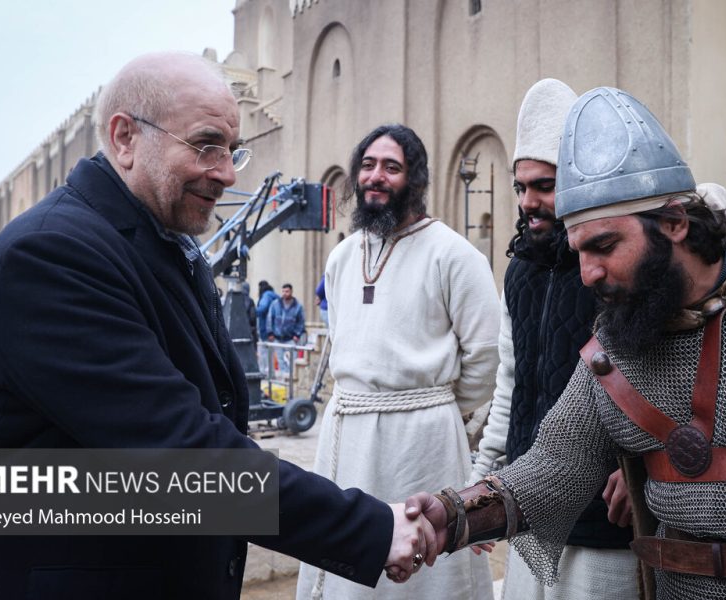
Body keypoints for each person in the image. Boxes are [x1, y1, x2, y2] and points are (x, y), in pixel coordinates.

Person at [0, 52, 437, 600]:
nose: (227, 173)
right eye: (206, 145)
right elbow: (177, 449)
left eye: (232, 151)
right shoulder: (52, 253)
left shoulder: (158, 239)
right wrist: (373, 529)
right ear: (125, 138)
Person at [409, 87, 726, 599]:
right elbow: (554, 468)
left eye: (604, 246)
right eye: (579, 251)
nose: (587, 274)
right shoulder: (618, 343)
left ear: (675, 222)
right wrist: (452, 516)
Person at [296, 124, 500, 600]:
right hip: (347, 437)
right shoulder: (342, 257)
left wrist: (436, 409)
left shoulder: (455, 255)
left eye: (392, 167)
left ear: (415, 178)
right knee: (347, 563)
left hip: (422, 443)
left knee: (424, 574)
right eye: (368, 165)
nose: (376, 176)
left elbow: (486, 355)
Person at [469, 79, 637, 599]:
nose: (529, 202)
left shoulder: (619, 265)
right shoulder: (520, 272)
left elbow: (666, 372)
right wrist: (483, 480)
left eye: (543, 185)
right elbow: (510, 383)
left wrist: (644, 469)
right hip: (530, 501)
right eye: (520, 188)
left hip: (603, 519)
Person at [267, 282, 306, 374]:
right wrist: (270, 332)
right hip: (278, 337)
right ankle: (283, 378)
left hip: (291, 338)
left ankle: (292, 377)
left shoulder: (298, 306)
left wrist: (297, 334)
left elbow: (301, 321)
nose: (285, 293)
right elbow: (270, 318)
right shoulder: (275, 304)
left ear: (291, 291)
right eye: (283, 291)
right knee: (280, 360)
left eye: (287, 291)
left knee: (293, 360)